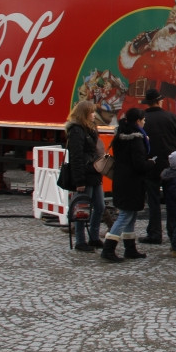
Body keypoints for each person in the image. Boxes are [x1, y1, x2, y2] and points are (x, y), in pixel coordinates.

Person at [102, 108, 153, 262]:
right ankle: (108, 249)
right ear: (138, 121)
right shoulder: (136, 139)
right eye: (143, 119)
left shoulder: (120, 135)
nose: (144, 122)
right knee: (125, 215)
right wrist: (150, 163)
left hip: (122, 179)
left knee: (131, 214)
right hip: (131, 182)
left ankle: (130, 248)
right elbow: (139, 164)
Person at [138, 88, 176, 246]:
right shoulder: (171, 117)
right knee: (172, 200)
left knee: (153, 202)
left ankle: (154, 233)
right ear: (160, 101)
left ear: (147, 103)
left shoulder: (143, 119)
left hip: (151, 164)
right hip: (170, 164)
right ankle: (173, 232)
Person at [64, 100, 105, 252]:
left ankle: (94, 237)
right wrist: (79, 180)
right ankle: (81, 240)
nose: (94, 114)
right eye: (92, 112)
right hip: (85, 174)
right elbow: (76, 157)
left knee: (99, 206)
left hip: (94, 172)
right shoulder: (76, 130)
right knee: (82, 208)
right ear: (85, 114)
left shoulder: (90, 129)